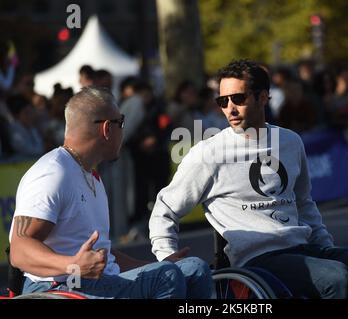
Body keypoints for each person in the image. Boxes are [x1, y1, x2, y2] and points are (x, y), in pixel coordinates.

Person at [149, 59, 348, 299]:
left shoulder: (290, 141)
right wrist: (168, 259)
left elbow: (303, 203)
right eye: (222, 101)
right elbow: (165, 210)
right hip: (258, 260)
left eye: (238, 98)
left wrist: (326, 248)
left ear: (262, 97)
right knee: (336, 279)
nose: (230, 108)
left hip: (302, 247)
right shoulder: (209, 153)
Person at [9, 86, 212, 299]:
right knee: (167, 276)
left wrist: (154, 265)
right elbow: (19, 250)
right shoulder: (53, 173)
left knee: (192, 269)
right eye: (121, 123)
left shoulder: (90, 176)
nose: (123, 130)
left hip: (95, 281)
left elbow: (104, 256)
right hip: (61, 286)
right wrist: (73, 265)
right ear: (107, 128)